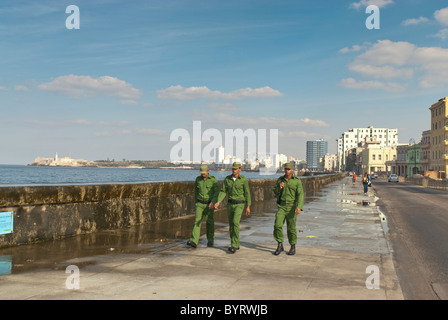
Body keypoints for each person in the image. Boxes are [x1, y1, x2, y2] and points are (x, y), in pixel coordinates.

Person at [214, 162, 251, 253]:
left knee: (235, 222)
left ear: (240, 169)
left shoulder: (243, 180)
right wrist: (218, 201)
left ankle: (234, 245)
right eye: (233, 169)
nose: (234, 170)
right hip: (230, 204)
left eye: (235, 169)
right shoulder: (227, 179)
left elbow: (247, 193)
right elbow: (223, 191)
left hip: (240, 204)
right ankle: (234, 243)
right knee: (231, 225)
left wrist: (248, 206)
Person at [272, 163, 304, 256]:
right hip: (281, 206)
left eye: (289, 169)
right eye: (286, 169)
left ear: (292, 170)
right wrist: (279, 188)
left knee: (291, 228)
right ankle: (280, 245)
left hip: (292, 207)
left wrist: (299, 207)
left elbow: (300, 195)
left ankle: (292, 246)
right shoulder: (280, 180)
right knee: (277, 225)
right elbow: (274, 191)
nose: (287, 171)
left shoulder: (296, 181)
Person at [186, 164, 219, 248]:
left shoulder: (213, 180)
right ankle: (194, 241)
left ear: (208, 171)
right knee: (197, 221)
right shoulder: (198, 179)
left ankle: (210, 240)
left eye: (204, 172)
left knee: (209, 222)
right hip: (200, 204)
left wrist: (213, 202)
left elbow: (216, 192)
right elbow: (196, 192)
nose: (202, 174)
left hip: (209, 204)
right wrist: (196, 202)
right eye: (201, 173)